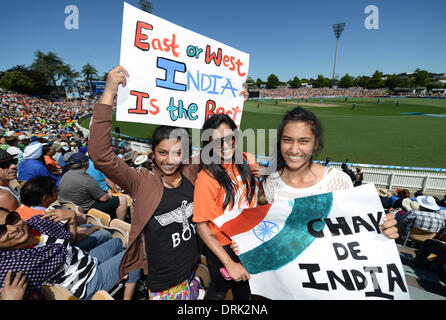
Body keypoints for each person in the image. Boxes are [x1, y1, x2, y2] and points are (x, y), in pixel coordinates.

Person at [88, 66, 205, 300]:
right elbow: (100, 154)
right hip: (164, 281)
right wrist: (110, 90)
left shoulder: (191, 171)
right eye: (163, 153)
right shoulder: (141, 181)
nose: (170, 161)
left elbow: (222, 142)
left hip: (192, 268)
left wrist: (237, 105)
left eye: (177, 153)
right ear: (153, 152)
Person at [262, 107, 398, 239]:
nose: (294, 149)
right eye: (287, 140)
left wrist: (383, 229)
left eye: (304, 141)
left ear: (315, 144)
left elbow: (353, 229)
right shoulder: (272, 182)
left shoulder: (338, 181)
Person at [0, 206, 140, 300]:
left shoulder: (37, 224)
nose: (13, 229)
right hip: (84, 284)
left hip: (83, 261)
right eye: (1, 231)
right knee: (137, 250)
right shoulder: (10, 270)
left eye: (12, 219)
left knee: (115, 242)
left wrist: (72, 218)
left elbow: (68, 240)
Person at [193, 113, 259, 300]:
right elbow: (202, 226)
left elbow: (257, 199)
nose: (225, 145)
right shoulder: (206, 178)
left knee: (247, 291)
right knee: (220, 291)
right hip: (224, 247)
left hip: (250, 241)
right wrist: (229, 262)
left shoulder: (249, 161)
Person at [17, 176, 112, 252]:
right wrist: (94, 228)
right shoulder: (47, 218)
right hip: (66, 251)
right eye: (56, 191)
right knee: (104, 234)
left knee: (90, 226)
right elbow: (73, 240)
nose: (58, 192)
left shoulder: (20, 210)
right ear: (46, 198)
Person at [58, 152, 128, 221]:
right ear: (85, 164)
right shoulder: (86, 178)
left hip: (70, 206)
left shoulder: (65, 175)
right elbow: (103, 198)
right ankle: (119, 223)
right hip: (86, 209)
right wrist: (108, 195)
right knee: (122, 199)